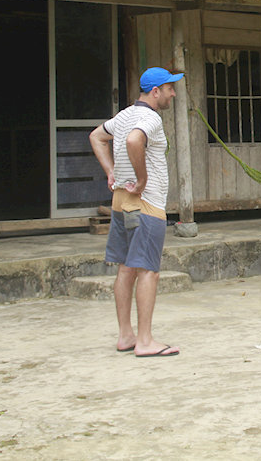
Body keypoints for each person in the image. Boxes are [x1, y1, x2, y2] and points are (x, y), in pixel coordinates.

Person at [89, 66, 185, 357]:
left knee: (126, 268)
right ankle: (144, 341)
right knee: (148, 272)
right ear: (156, 92)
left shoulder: (125, 114)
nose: (173, 93)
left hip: (121, 201)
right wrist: (142, 179)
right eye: (170, 88)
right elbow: (133, 141)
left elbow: (96, 136)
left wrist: (111, 172)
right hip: (146, 204)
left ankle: (126, 335)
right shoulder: (149, 117)